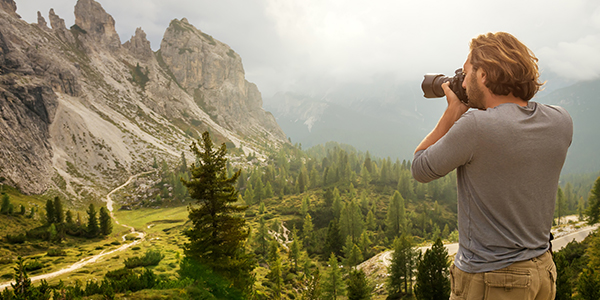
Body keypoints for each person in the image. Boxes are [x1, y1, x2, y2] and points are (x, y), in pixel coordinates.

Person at [412, 32, 572, 299]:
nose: (464, 81)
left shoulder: (476, 127)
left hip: (493, 279)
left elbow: (420, 167)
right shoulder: (560, 120)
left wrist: (452, 113)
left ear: (483, 75)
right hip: (543, 272)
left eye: (467, 72)